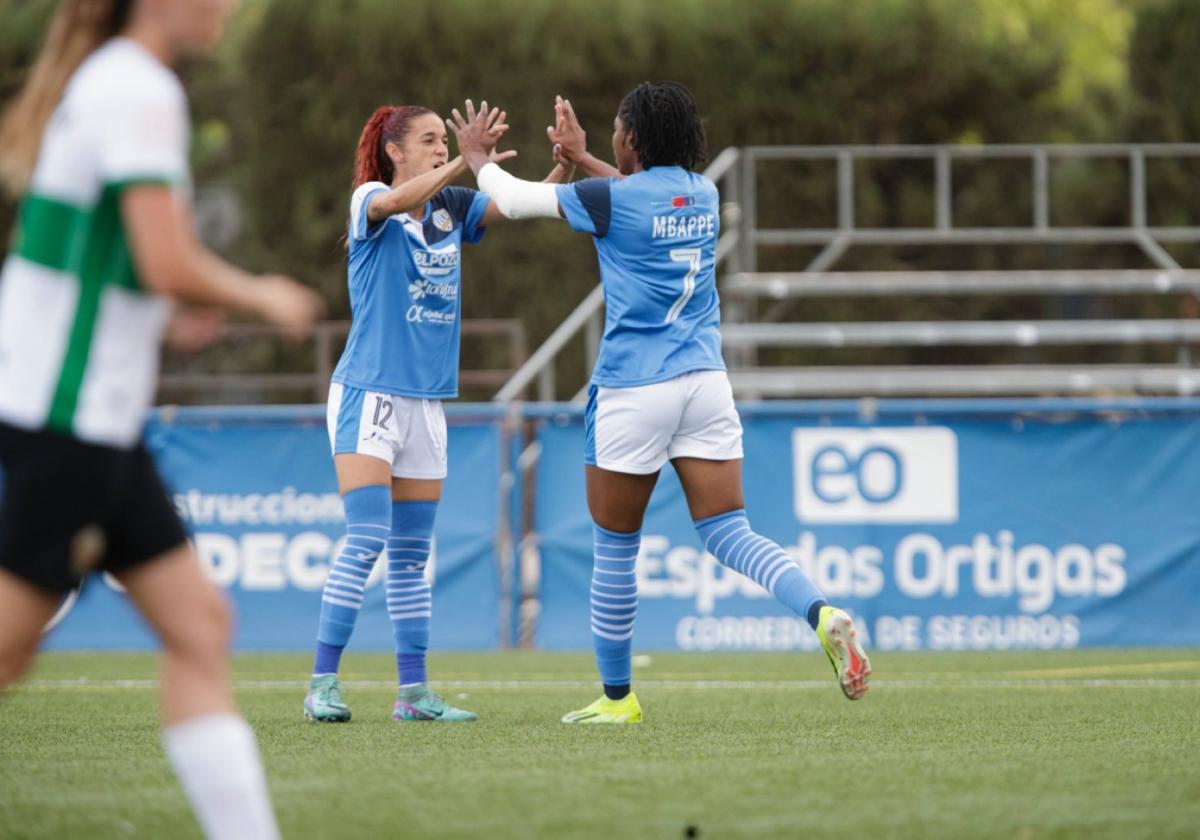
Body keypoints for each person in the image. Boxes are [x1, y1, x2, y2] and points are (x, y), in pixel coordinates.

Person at [447, 84, 871, 724]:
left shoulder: (612, 199)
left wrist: (477, 158)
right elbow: (638, 195)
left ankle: (618, 701)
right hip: (704, 384)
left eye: (617, 130)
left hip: (634, 388)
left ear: (633, 139)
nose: (613, 138)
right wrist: (584, 157)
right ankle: (822, 613)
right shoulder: (702, 194)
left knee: (615, 548)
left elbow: (510, 197)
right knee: (730, 531)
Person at [0, 1, 322, 837]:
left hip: (93, 418)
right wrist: (262, 294)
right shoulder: (136, 86)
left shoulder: (113, 80)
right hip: (67, 417)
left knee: (200, 627)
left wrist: (168, 312)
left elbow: (105, 257)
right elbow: (165, 257)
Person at [304, 101, 573, 724]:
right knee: (367, 536)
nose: (434, 147)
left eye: (440, 141)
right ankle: (322, 682)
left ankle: (414, 695)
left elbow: (514, 205)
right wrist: (465, 159)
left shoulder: (451, 209)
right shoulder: (371, 198)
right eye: (426, 140)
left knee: (409, 555)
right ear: (394, 151)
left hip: (426, 402)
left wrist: (558, 169)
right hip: (369, 392)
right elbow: (397, 203)